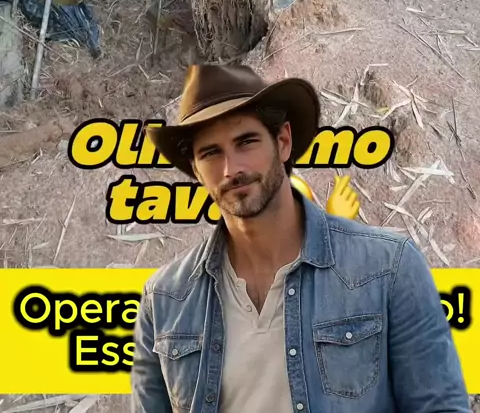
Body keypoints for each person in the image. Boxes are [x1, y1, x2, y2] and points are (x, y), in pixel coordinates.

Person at [131, 63, 469, 413]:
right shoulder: (165, 299)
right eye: (211, 153)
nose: (231, 169)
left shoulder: (389, 268)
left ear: (283, 142)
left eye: (246, 142)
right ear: (196, 170)